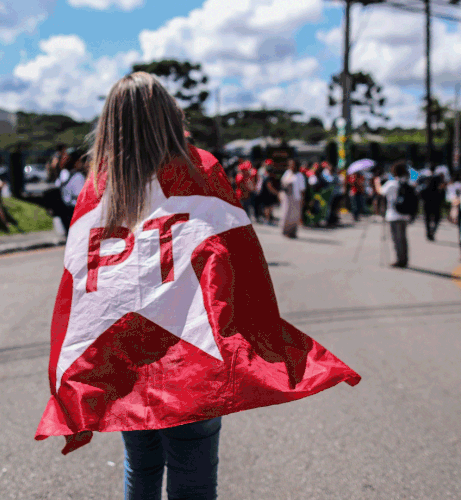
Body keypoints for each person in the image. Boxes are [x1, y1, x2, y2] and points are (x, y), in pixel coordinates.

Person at [36, 72, 361, 498]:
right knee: (194, 478)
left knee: (141, 465)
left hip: (123, 356)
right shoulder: (199, 168)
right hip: (191, 355)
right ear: (170, 117)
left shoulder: (99, 185)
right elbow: (237, 256)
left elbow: (80, 284)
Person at [375, 161, 411, 268]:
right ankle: (404, 258)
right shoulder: (407, 182)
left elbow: (380, 191)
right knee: (403, 238)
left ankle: (400, 260)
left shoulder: (391, 184)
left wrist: (377, 182)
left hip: (393, 215)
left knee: (396, 239)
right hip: (405, 214)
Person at [280, 158, 306, 238]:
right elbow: (282, 182)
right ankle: (286, 231)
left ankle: (293, 232)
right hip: (287, 197)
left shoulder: (300, 176)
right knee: (286, 214)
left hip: (296, 197)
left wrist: (303, 199)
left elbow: (302, 189)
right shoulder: (287, 173)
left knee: (294, 215)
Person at [420, 166, 445, 241]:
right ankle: (432, 231)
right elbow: (442, 189)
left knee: (427, 218)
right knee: (437, 218)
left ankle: (428, 232)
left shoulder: (424, 178)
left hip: (426, 201)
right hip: (436, 201)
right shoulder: (439, 178)